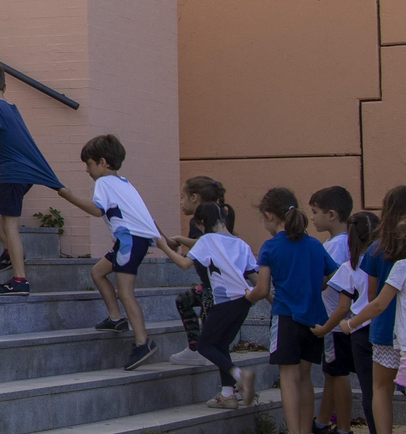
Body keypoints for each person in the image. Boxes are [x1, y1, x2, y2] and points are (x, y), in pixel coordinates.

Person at [61, 134, 182, 371]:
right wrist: (165, 239)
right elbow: (145, 216)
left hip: (128, 242)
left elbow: (97, 210)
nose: (87, 170)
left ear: (103, 162)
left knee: (126, 292)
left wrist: (69, 196)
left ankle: (143, 342)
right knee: (98, 272)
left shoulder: (104, 183)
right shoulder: (125, 183)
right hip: (135, 241)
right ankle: (116, 319)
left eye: (89, 164)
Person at [0, 62, 72, 295]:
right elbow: (4, 142)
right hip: (19, 174)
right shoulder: (10, 107)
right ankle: (10, 251)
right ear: (4, 86)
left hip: (13, 175)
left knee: (10, 225)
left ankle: (20, 280)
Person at [245, 187, 339, 434]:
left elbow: (263, 289)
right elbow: (334, 274)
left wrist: (248, 296)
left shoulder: (271, 247)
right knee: (305, 377)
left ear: (269, 215)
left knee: (287, 377)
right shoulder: (314, 245)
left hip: (286, 317)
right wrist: (314, 284)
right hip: (314, 317)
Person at [161, 200, 259, 407]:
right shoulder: (242, 244)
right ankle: (227, 394)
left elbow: (184, 264)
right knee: (221, 345)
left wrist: (163, 247)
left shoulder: (207, 240)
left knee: (205, 345)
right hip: (244, 302)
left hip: (224, 302)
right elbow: (256, 279)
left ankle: (239, 375)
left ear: (202, 223)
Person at [341, 183, 406, 434]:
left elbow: (372, 296)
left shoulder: (378, 250)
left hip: (383, 329)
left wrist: (351, 323)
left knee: (380, 387)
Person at [314, 210, 381, 434]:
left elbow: (343, 308)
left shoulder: (349, 267)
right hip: (383, 328)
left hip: (358, 330)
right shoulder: (384, 264)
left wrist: (324, 329)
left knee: (369, 388)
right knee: (385, 387)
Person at [166, 177, 234, 366]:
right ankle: (196, 347)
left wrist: (176, 240)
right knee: (184, 300)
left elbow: (205, 243)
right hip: (219, 285)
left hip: (215, 288)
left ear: (194, 197)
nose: (181, 201)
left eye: (183, 196)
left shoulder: (199, 221)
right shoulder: (222, 215)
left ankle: (203, 349)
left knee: (206, 311)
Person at [308, 186, 357, 434]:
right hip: (339, 321)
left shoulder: (336, 246)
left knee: (338, 374)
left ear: (332, 214)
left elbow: (326, 280)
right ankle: (322, 422)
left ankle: (344, 431)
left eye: (315, 212)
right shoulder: (346, 242)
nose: (312, 217)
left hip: (334, 322)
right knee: (332, 373)